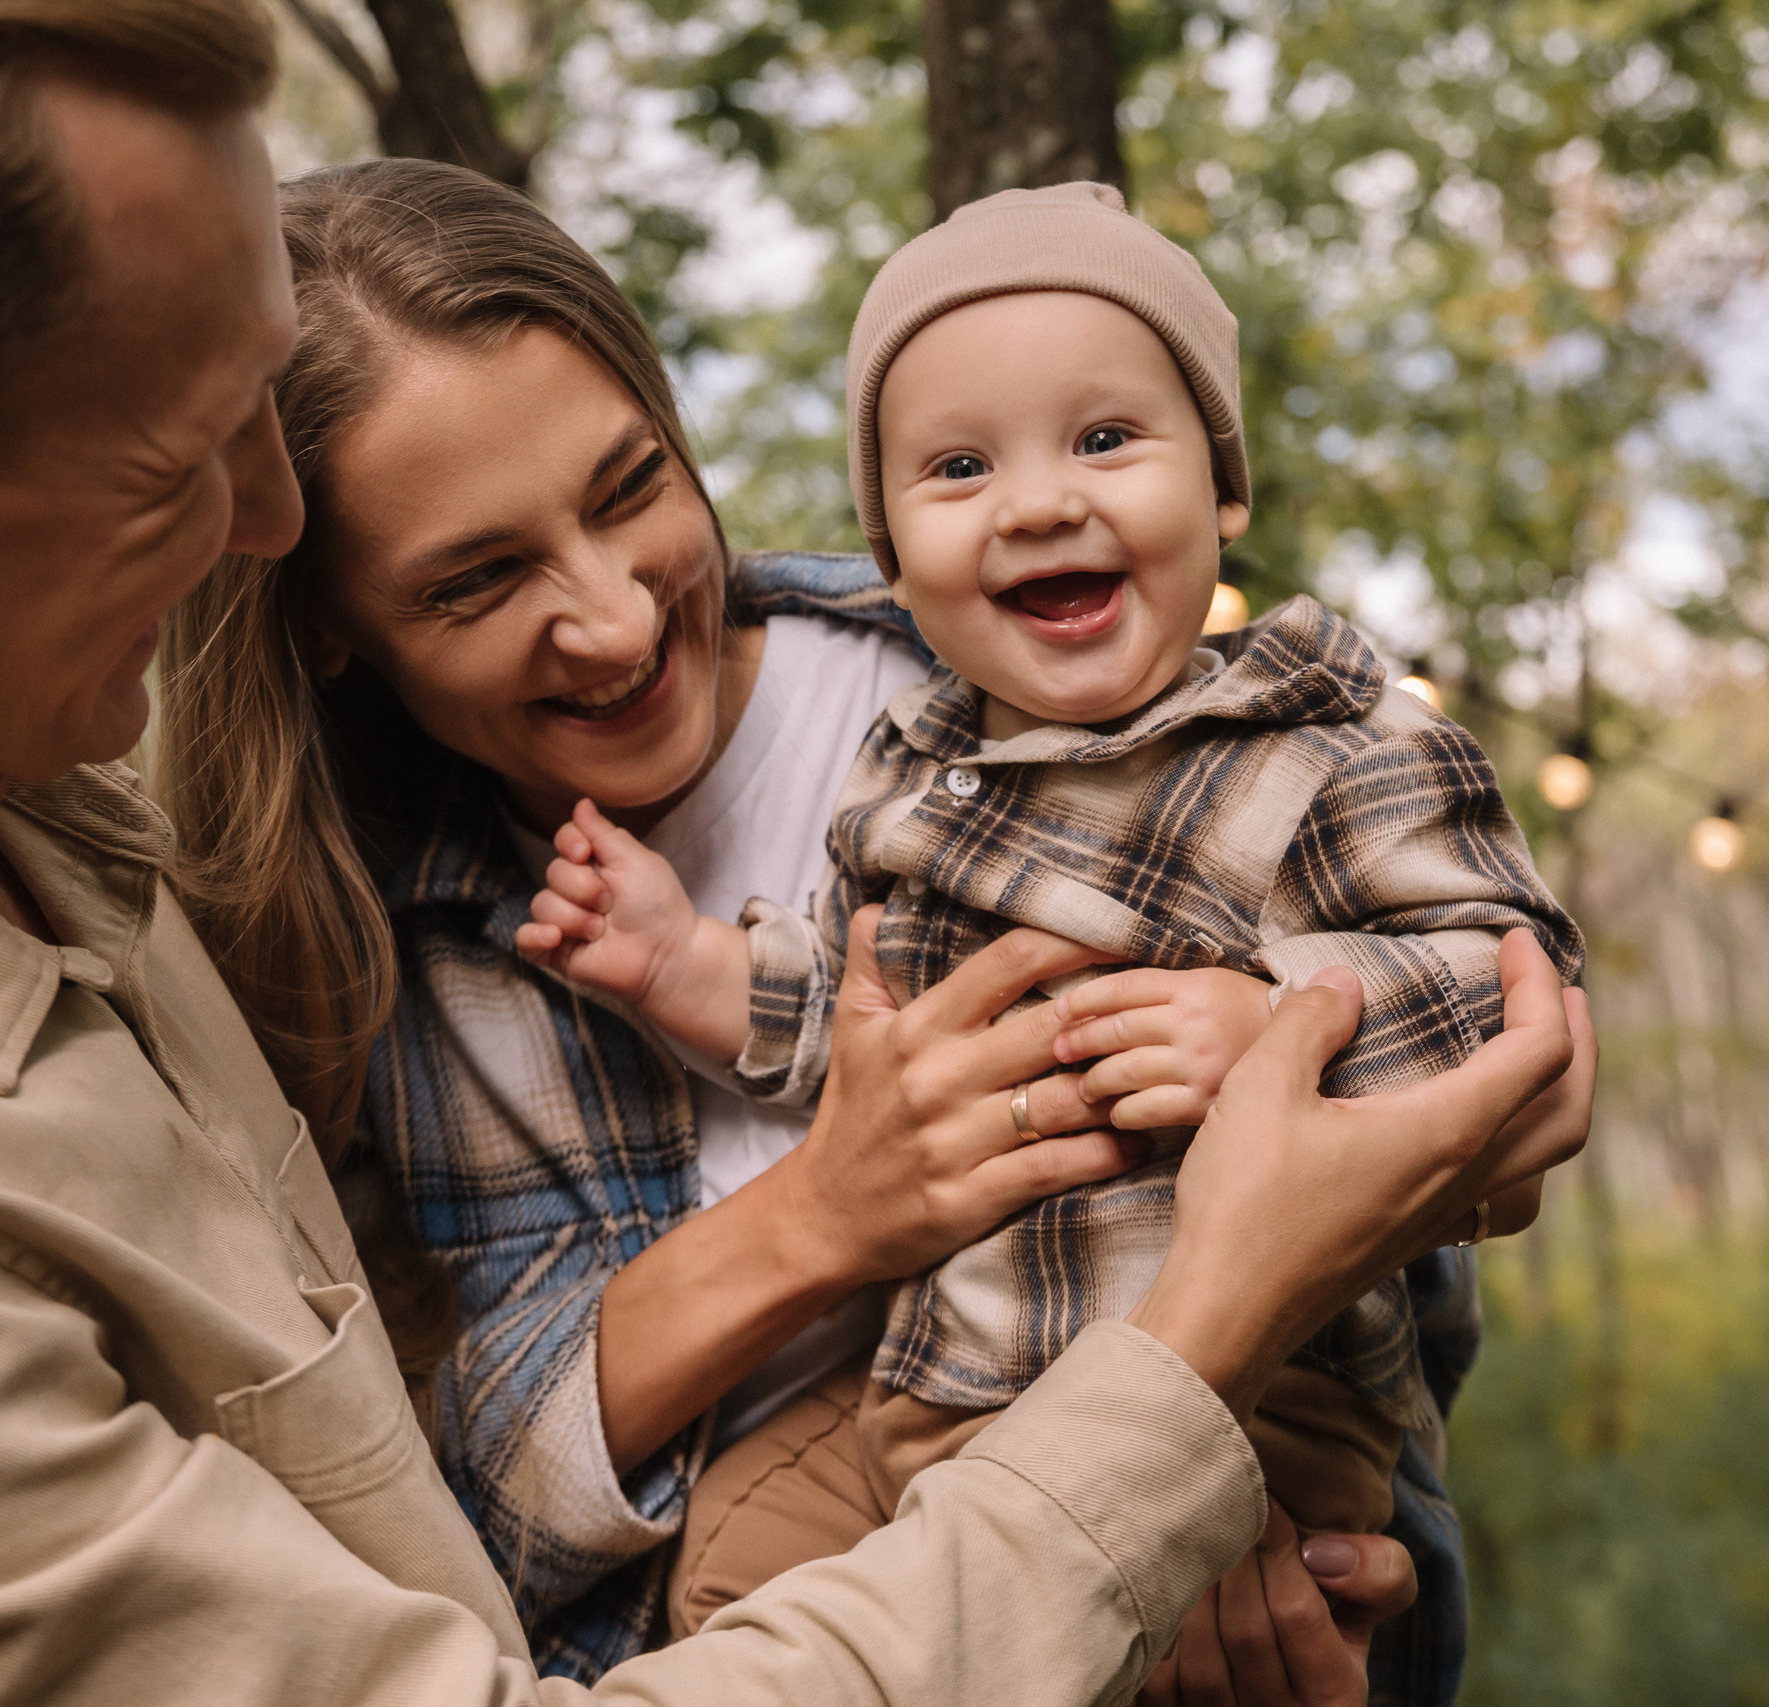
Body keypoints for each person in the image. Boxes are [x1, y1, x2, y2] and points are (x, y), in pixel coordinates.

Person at [0, 7, 1588, 1705]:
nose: (267, 534)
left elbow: (1418, 1089)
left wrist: (1445, 1087)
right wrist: (1156, 1352)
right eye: (174, 456)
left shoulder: (36, 815)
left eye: (626, 487)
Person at [156, 161, 1538, 1700]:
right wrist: (825, 1213)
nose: (614, 622)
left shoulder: (1035, 702)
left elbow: (1444, 1203)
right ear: (327, 620)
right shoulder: (338, 951)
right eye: (476, 582)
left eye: (628, 491)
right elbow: (395, 1531)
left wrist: (1343, 1571)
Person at [513, 181, 1582, 1653]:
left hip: (1246, 1389)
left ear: (1222, 490)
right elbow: (867, 1016)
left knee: (1197, 1632)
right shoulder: (915, 773)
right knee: (725, 1587)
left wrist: (1287, 1024)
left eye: (1104, 439)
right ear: (889, 553)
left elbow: (1509, 983)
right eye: (959, 466)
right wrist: (682, 962)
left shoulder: (1328, 740)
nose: (1037, 500)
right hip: (945, 1386)